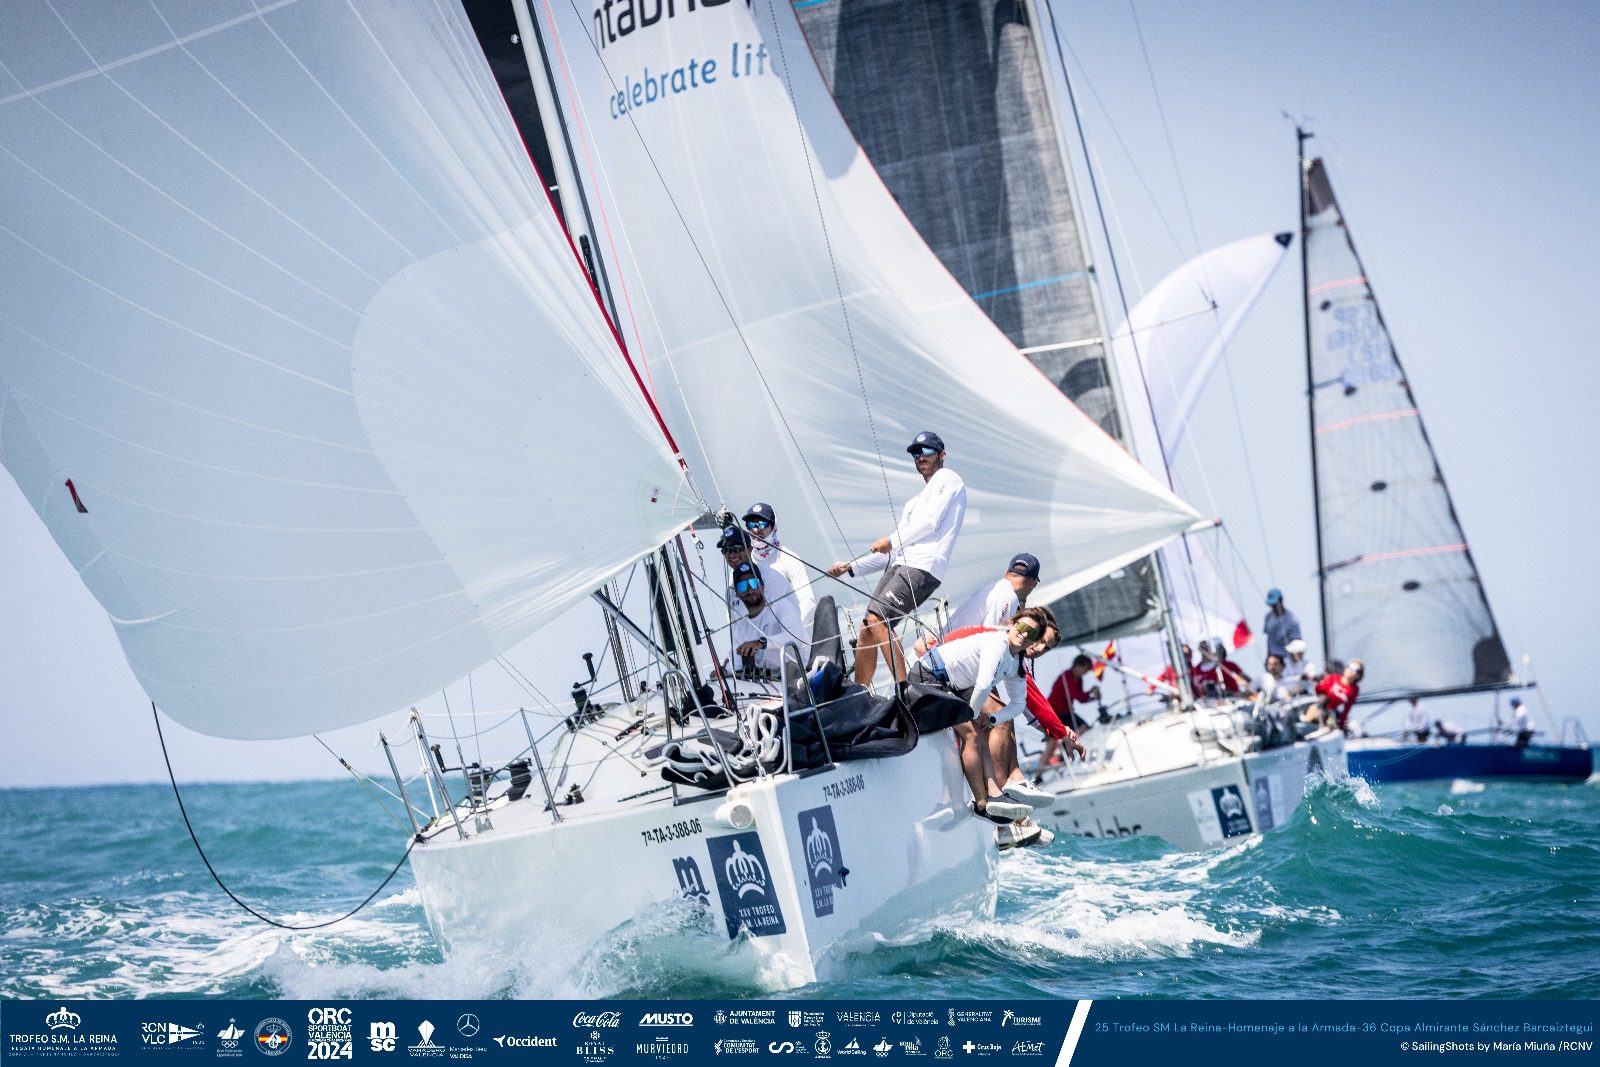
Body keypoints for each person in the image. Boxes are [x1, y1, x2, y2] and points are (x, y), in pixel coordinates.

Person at [827, 431, 967, 688]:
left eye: (927, 451)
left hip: (923, 566)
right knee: (868, 627)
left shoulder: (948, 478)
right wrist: (850, 567)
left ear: (942, 454)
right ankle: (860, 693)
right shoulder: (914, 502)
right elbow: (892, 554)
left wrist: (891, 540)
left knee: (878, 619)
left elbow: (931, 523)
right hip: (902, 565)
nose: (920, 457)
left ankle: (904, 689)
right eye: (916, 453)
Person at [907, 607, 1050, 823]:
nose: (1024, 634)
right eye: (1022, 627)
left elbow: (1018, 704)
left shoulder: (1016, 663)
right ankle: (982, 804)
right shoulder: (998, 643)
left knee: (981, 731)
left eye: (1031, 634)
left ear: (1033, 642)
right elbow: (983, 685)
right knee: (972, 734)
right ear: (1012, 624)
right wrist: (973, 714)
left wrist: (992, 719)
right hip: (927, 676)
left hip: (954, 684)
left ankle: (994, 795)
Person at [917, 552, 1039, 656]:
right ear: (1033, 583)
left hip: (934, 652)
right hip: (942, 659)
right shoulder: (1008, 597)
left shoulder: (993, 588)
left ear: (1006, 572)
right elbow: (990, 643)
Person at [742, 502, 816, 632]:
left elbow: (807, 600)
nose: (756, 530)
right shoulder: (743, 565)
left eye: (761, 524)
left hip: (789, 636)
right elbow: (734, 608)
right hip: (758, 638)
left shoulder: (789, 559)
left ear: (773, 526)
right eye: (751, 525)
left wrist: (791, 629)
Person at [724, 561, 805, 674]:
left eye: (753, 583)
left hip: (799, 674)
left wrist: (760, 643)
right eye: (742, 586)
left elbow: (796, 636)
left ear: (762, 586)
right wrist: (723, 671)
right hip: (769, 681)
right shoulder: (741, 626)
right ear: (737, 593)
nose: (750, 590)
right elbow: (736, 663)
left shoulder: (781, 605)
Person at [1315, 658, 1363, 731]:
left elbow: (1346, 709)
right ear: (1345, 669)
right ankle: (1322, 726)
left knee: (1332, 715)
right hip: (1321, 709)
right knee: (1323, 700)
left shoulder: (1353, 690)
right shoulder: (1332, 678)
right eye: (1350, 667)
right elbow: (1317, 691)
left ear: (1358, 675)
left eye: (1355, 669)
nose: (1350, 670)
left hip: (1333, 715)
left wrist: (1341, 725)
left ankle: (1334, 729)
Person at [1262, 588, 1303, 660]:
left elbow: (1297, 643)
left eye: (1275, 604)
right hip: (1273, 659)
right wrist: (1268, 658)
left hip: (1286, 658)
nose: (1273, 607)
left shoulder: (1292, 619)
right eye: (1272, 605)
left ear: (1281, 601)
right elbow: (1269, 639)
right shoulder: (1268, 617)